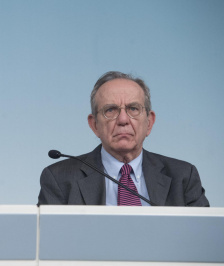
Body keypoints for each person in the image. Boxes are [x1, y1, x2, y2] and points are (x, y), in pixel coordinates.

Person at [38, 71, 209, 206]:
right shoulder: (59, 179)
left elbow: (203, 242)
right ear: (94, 125)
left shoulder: (183, 177)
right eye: (111, 110)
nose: (123, 120)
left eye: (133, 109)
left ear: (149, 122)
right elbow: (51, 246)